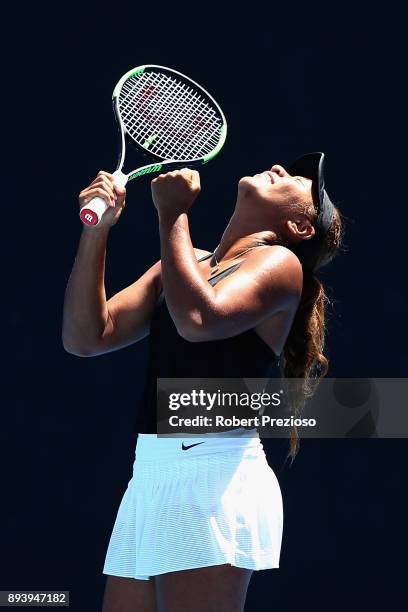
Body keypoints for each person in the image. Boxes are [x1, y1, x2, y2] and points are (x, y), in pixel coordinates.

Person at [62, 152, 343, 612]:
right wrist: (97, 231)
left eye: (297, 180)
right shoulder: (185, 263)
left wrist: (173, 213)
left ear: (300, 228)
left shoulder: (282, 266)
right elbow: (86, 337)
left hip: (214, 479)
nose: (280, 167)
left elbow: (197, 318)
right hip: (150, 475)